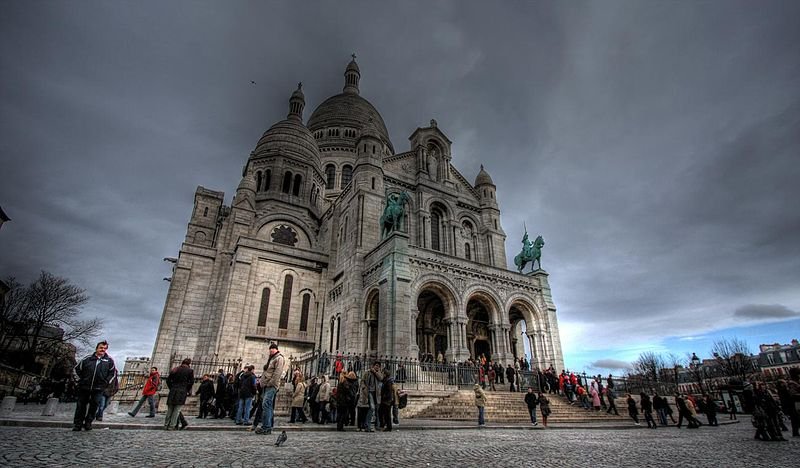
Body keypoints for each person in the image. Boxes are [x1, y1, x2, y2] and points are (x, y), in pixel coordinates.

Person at [72, 340, 117, 431]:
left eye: (104, 348)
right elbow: (76, 370)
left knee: (94, 406)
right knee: (81, 406)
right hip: (85, 386)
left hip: (99, 387)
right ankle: (78, 424)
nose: (103, 350)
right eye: (101, 348)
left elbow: (112, 373)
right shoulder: (87, 359)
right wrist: (79, 381)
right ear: (96, 348)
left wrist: (106, 382)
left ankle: (88, 422)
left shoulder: (109, 361)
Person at [256, 343, 286, 435]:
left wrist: (270, 383)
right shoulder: (271, 358)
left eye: (273, 348)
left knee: (266, 404)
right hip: (266, 385)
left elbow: (277, 372)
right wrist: (261, 383)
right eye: (270, 349)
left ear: (277, 349)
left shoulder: (279, 358)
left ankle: (267, 427)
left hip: (271, 385)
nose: (271, 350)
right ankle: (266, 426)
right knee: (266, 405)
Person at [164, 358, 193, 430]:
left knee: (170, 410)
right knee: (177, 410)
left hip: (173, 391)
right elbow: (191, 382)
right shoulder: (190, 371)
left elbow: (168, 380)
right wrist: (186, 389)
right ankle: (172, 426)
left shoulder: (175, 369)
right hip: (182, 392)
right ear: (189, 364)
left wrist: (172, 387)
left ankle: (166, 425)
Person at [786, 368, 800, 437]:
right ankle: (795, 432)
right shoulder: (792, 383)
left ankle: (796, 431)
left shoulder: (795, 381)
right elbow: (793, 393)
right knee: (796, 417)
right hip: (795, 402)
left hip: (796, 401)